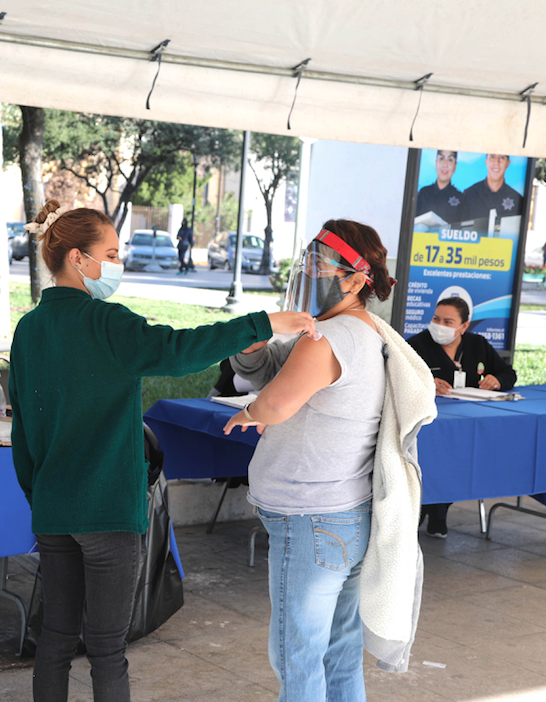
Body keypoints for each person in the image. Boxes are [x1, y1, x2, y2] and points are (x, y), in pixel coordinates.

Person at [10, 200, 316, 702]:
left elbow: (23, 430)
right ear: (76, 259)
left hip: (53, 509)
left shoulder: (28, 329)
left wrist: (40, 496)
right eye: (110, 253)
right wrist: (261, 323)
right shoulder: (107, 323)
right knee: (108, 649)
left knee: (56, 641)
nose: (117, 263)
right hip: (107, 511)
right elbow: (180, 349)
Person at [222, 220, 396, 700]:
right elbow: (269, 370)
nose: (309, 272)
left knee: (297, 657)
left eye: (321, 265)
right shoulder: (355, 331)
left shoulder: (330, 338)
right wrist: (253, 347)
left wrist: (249, 413)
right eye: (309, 261)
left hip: (310, 521)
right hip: (345, 516)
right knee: (339, 655)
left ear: (357, 279)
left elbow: (275, 403)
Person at [407, 297, 517, 538]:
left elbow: (508, 373)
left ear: (464, 326)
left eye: (448, 321)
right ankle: (427, 506)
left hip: (468, 423)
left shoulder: (478, 345)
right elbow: (398, 377)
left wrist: (497, 380)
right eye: (436, 319)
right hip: (430, 423)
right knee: (435, 456)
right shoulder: (416, 345)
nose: (440, 325)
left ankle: (440, 507)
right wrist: (425, 382)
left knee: (464, 456)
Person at [461, 153, 522, 222]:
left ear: (508, 163)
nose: (496, 162)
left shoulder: (517, 199)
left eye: (502, 157)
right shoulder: (470, 194)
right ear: (486, 161)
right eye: (492, 157)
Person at [415, 150, 463, 223]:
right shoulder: (423, 193)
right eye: (441, 158)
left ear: (455, 166)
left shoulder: (461, 199)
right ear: (436, 163)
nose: (445, 165)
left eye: (450, 160)